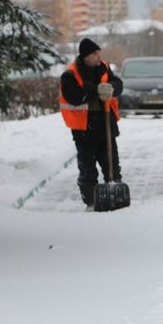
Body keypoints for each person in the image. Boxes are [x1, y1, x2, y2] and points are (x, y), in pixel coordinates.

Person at [58, 38, 123, 208]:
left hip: (106, 123)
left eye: (98, 52)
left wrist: (112, 87)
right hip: (84, 128)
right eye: (94, 53)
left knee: (111, 163)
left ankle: (114, 193)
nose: (98, 56)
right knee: (87, 167)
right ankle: (92, 200)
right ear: (85, 56)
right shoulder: (71, 74)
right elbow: (74, 97)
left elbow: (118, 84)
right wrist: (96, 90)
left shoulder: (104, 68)